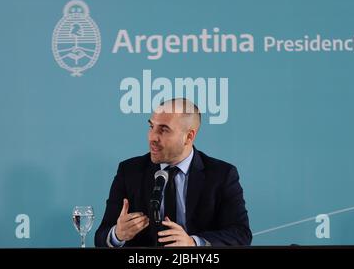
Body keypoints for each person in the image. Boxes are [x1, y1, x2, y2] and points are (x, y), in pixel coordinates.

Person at [94, 98, 251, 247]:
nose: (152, 137)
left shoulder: (221, 175)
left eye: (164, 130)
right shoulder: (130, 171)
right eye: (151, 127)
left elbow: (240, 234)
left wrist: (193, 243)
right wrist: (118, 234)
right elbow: (101, 237)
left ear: (189, 136)